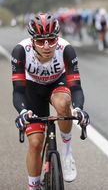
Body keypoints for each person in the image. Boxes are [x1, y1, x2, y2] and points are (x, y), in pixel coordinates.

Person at [11, 13, 90, 190]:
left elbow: (76, 87)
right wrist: (23, 112)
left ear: (57, 38)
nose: (47, 46)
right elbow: (18, 91)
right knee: (36, 143)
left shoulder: (66, 49)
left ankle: (67, 151)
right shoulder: (20, 51)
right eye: (40, 41)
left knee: (63, 104)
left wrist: (79, 109)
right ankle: (33, 186)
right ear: (32, 41)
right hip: (32, 89)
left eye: (51, 40)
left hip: (57, 83)